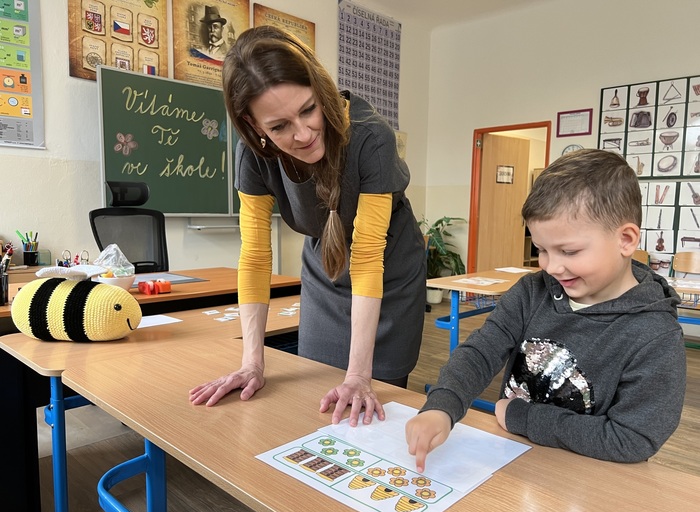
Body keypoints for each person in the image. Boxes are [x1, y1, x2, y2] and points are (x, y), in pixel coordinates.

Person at [189, 26, 426, 426]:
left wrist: (359, 376)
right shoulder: (252, 156)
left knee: (371, 399)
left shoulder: (372, 139)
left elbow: (368, 256)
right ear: (253, 125)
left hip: (389, 266)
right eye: (278, 127)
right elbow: (255, 257)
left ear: (319, 88)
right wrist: (251, 363)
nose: (302, 134)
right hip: (324, 262)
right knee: (314, 391)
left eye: (308, 110)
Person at [406, 149, 686, 468]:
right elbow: (481, 352)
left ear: (625, 239)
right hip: (511, 460)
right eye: (541, 249)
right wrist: (441, 406)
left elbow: (632, 439)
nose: (551, 267)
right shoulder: (532, 291)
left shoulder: (656, 335)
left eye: (569, 251)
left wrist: (524, 418)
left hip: (592, 477)